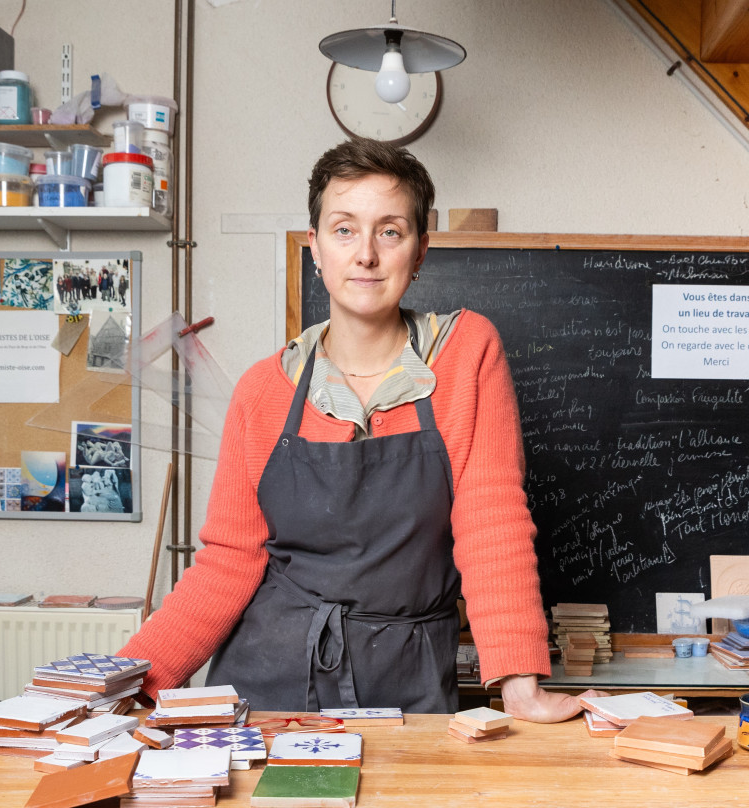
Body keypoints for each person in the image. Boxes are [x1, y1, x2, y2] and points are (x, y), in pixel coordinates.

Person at [117, 138, 587, 722]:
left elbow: (491, 520)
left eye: (389, 231)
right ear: (314, 246)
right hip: (268, 685)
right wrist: (126, 686)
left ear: (419, 253)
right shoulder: (264, 390)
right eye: (344, 229)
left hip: (409, 682)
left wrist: (520, 684)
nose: (366, 253)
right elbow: (230, 561)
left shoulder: (466, 356)